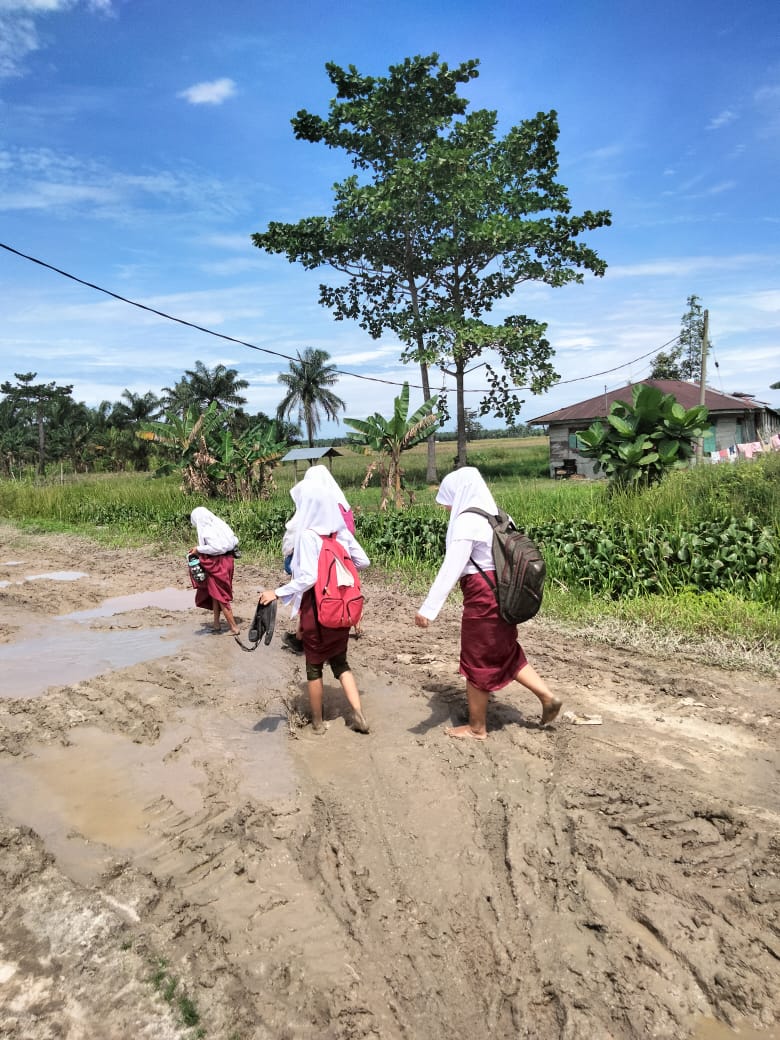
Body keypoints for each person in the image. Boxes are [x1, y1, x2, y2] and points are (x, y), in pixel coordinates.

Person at [414, 467, 562, 740]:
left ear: (459, 494)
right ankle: (547, 696)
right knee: (506, 651)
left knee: (476, 659)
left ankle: (476, 728)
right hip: (507, 595)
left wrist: (428, 609)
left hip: (483, 598)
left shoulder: (465, 522)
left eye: (448, 500)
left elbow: (451, 568)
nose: (447, 507)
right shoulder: (500, 516)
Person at [259, 476, 370, 735]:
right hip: (342, 608)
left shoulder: (309, 537)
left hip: (318, 610)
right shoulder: (340, 533)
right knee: (341, 664)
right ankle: (358, 714)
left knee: (314, 667)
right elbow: (363, 561)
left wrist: (276, 592)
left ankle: (319, 723)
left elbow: (307, 579)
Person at [281, 465, 356, 652]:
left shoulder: (315, 504)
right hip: (342, 558)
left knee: (308, 596)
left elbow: (296, 532)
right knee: (344, 593)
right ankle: (352, 623)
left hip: (318, 557)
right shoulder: (343, 505)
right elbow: (350, 538)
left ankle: (302, 638)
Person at [189, 507, 240, 636]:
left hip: (218, 564)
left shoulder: (208, 531)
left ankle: (234, 628)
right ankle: (216, 624)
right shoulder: (221, 526)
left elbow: (217, 547)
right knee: (214, 593)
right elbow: (234, 541)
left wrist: (198, 549)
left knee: (221, 595)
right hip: (227, 561)